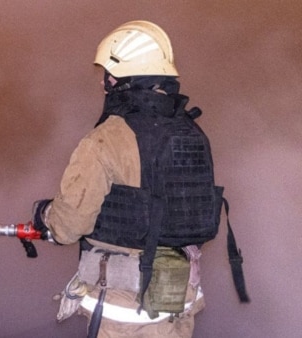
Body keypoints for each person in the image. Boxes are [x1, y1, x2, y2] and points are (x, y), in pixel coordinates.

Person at [31, 20, 248, 338]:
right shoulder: (191, 131)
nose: (103, 83)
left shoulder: (105, 139)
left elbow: (68, 226)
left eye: (108, 75)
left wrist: (45, 214)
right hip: (180, 303)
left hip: (127, 315)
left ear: (122, 80)